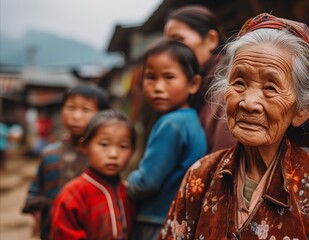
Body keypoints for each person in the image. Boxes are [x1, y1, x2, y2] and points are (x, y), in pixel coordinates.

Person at [159, 13, 309, 239]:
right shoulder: (200, 176)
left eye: (270, 88)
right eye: (239, 83)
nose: (249, 103)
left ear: (302, 110)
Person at [127, 39, 207, 240]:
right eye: (151, 77)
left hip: (154, 223)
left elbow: (147, 182)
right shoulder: (191, 121)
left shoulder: (171, 124)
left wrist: (126, 184)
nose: (158, 87)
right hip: (177, 221)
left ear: (193, 84)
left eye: (168, 77)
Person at [22, 84, 109, 239]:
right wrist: (39, 215)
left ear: (101, 115)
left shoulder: (103, 156)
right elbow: (35, 190)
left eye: (85, 110)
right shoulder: (50, 154)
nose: (76, 116)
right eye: (70, 108)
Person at [50, 110, 136, 239]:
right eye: (104, 144)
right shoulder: (73, 195)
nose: (113, 154)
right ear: (84, 146)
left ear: (132, 151)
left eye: (123, 146)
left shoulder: (129, 191)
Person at [164, 5, 236, 153]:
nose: (169, 52)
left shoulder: (226, 89)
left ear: (211, 39)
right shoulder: (196, 87)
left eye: (178, 40)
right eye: (168, 44)